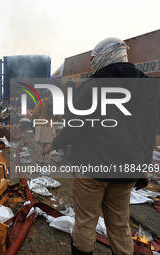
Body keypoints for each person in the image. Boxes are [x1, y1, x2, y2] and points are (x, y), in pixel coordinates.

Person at [44, 37, 160, 255]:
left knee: (86, 222)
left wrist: (55, 144)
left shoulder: (93, 87)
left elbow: (74, 127)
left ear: (105, 56)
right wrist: (142, 166)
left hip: (92, 169)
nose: (91, 63)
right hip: (127, 171)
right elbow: (148, 134)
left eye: (94, 58)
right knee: (119, 224)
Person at [33, 89, 55, 164]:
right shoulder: (54, 103)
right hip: (50, 126)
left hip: (40, 126)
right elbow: (59, 116)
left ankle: (40, 160)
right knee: (48, 145)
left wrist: (38, 118)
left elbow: (35, 113)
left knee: (39, 144)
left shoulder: (40, 102)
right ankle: (46, 161)